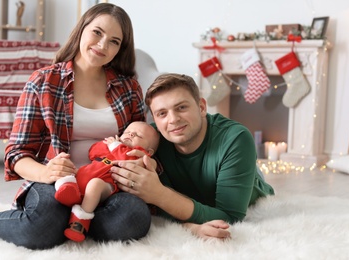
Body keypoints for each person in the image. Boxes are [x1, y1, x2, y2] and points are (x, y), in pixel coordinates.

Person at [0, 3, 152, 249]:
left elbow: (142, 141)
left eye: (114, 41)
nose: (102, 45)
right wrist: (45, 173)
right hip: (55, 183)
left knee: (134, 219)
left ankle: (72, 220)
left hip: (107, 187)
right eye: (97, 32)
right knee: (43, 222)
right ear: (82, 29)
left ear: (120, 49)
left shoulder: (128, 88)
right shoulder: (43, 81)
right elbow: (16, 154)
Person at [110, 73, 275, 240]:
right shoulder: (153, 141)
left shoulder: (236, 138)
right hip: (196, 194)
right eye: (162, 114)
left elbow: (230, 217)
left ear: (202, 107)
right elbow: (156, 206)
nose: (173, 120)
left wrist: (158, 194)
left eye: (181, 107)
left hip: (245, 190)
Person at [55, 121, 159, 242]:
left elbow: (125, 158)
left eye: (138, 135)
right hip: (85, 174)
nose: (131, 135)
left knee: (95, 184)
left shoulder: (139, 156)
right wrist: (107, 144)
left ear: (149, 151)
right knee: (66, 170)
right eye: (128, 132)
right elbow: (92, 152)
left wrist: (116, 146)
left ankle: (80, 222)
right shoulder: (111, 146)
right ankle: (71, 195)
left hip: (107, 184)